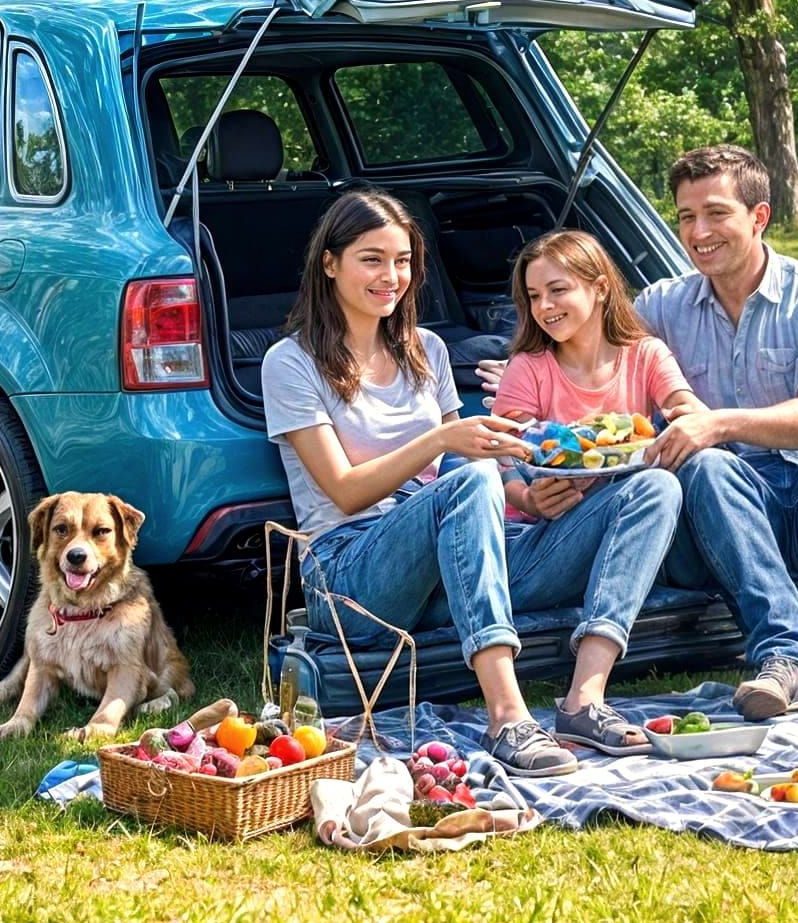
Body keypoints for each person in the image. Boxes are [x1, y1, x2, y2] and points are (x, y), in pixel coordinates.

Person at [483, 145, 798, 722]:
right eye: (686, 217)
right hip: (719, 517)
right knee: (706, 464)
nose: (698, 232)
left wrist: (715, 422)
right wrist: (522, 366)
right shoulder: (662, 306)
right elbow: (593, 335)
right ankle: (784, 658)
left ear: (758, 217)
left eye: (715, 214)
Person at [260, 190, 678, 775]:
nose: (392, 276)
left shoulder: (424, 349)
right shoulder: (290, 362)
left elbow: (479, 459)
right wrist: (437, 442)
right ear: (330, 263)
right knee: (467, 476)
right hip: (352, 576)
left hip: (452, 571)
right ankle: (508, 715)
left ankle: (585, 700)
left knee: (654, 488)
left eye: (403, 260)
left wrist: (527, 495)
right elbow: (346, 490)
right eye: (372, 259)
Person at [491, 229, 699, 752]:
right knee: (653, 488)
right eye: (534, 296)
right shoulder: (529, 369)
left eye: (557, 290)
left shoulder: (645, 356)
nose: (545, 307)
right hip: (542, 545)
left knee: (656, 486)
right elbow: (498, 457)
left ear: (601, 287)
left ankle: (585, 699)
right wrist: (526, 498)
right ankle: (583, 702)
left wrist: (679, 419)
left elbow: (687, 410)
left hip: (625, 544)